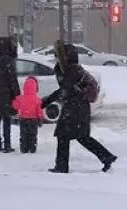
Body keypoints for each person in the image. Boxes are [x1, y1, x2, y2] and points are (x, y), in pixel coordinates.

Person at [43, 42, 117, 173]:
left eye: (59, 56)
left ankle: (62, 166)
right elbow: (65, 90)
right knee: (82, 137)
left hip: (74, 108)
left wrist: (46, 101)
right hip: (80, 107)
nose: (57, 59)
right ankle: (106, 157)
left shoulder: (71, 70)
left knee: (63, 136)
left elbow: (65, 91)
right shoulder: (73, 68)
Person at [13, 75, 45, 153]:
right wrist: (40, 119)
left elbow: (15, 106)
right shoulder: (37, 100)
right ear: (35, 88)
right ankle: (32, 147)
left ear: (24, 87)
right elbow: (39, 110)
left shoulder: (21, 98)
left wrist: (15, 100)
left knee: (23, 134)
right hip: (33, 120)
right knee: (33, 134)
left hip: (23, 119)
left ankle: (24, 148)